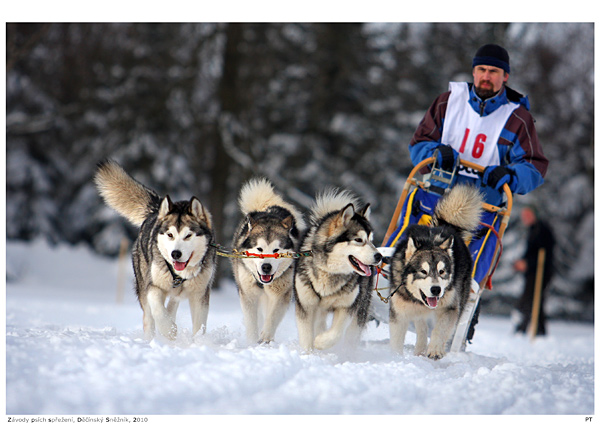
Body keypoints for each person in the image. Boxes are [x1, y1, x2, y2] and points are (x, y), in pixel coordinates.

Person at [408, 43, 549, 206]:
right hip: (435, 199)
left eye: (493, 71)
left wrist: (510, 175)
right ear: (474, 72)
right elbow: (419, 143)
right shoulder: (447, 102)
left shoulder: (517, 119)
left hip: (482, 212)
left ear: (505, 76)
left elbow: (534, 166)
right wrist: (435, 154)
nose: (486, 77)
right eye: (481, 70)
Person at [513, 205, 555, 336]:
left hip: (540, 272)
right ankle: (539, 330)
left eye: (527, 215)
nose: (524, 218)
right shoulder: (533, 229)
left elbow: (543, 254)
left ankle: (524, 328)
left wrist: (527, 263)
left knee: (532, 299)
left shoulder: (542, 229)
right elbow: (530, 252)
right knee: (535, 300)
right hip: (532, 272)